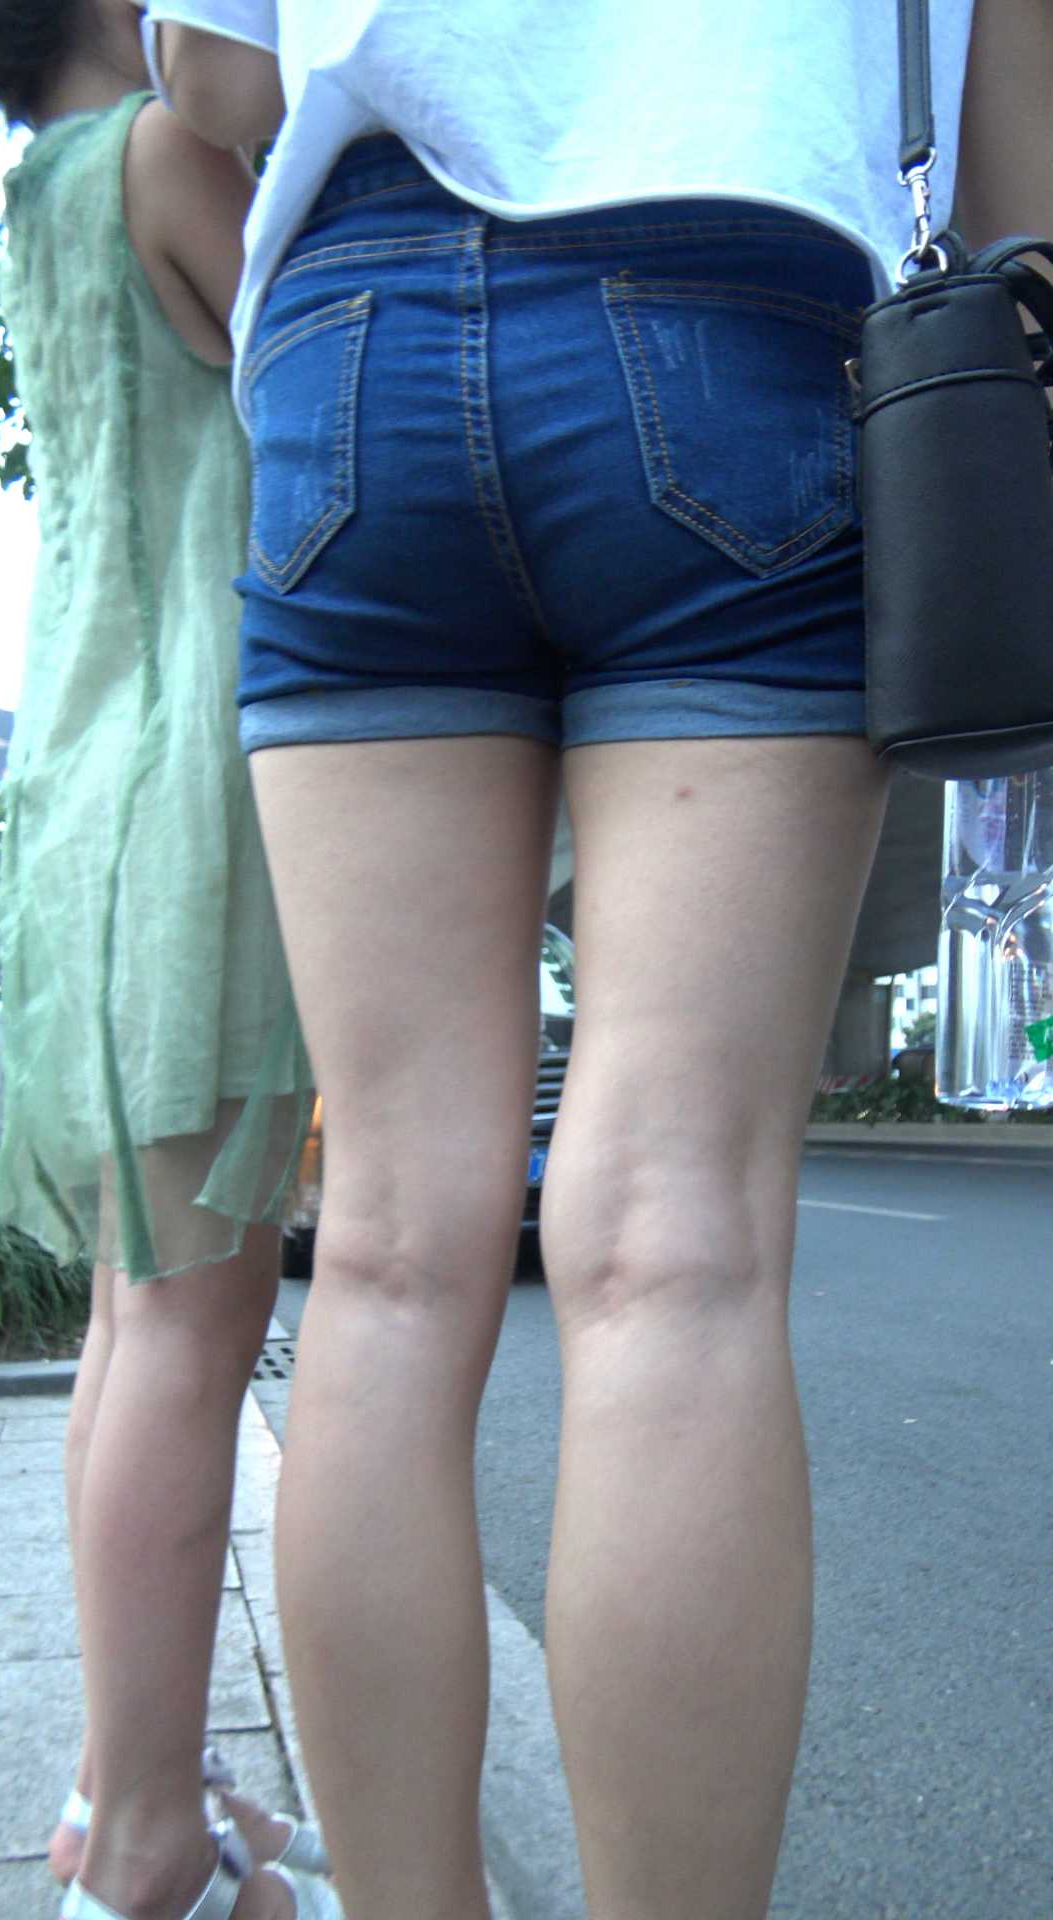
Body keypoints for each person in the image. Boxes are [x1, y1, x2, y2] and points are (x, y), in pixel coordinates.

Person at [145, 5, 995, 1920]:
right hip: (751, 284)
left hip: (354, 314)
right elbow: (1017, 149)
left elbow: (209, 71)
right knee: (678, 1248)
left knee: (383, 1247)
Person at [0, 6, 339, 1918]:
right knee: (192, 1324)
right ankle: (142, 1855)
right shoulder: (164, 157)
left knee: (136, 1322)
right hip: (200, 789)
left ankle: (131, 1779)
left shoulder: (30, 194)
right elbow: (319, 398)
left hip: (89, 786)